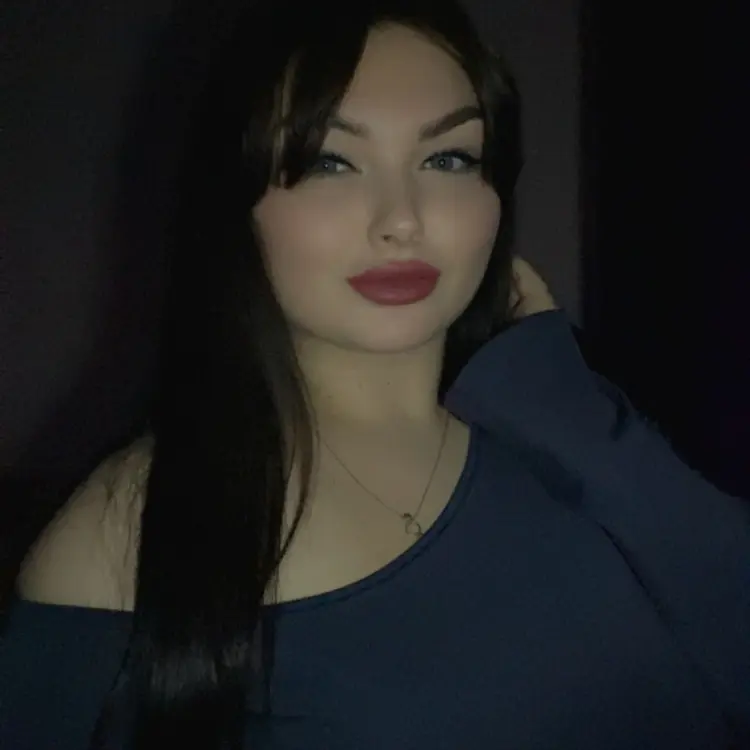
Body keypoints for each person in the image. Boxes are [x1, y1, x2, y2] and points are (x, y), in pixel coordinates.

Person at [1, 0, 748, 748]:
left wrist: (574, 412)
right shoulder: (126, 534)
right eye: (331, 162)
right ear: (234, 199)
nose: (402, 219)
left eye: (448, 159)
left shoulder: (563, 427)